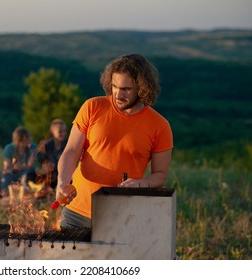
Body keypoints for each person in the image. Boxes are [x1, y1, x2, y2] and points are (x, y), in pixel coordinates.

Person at [56, 54, 173, 228]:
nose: (117, 94)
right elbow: (71, 151)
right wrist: (62, 182)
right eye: (114, 86)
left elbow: (160, 175)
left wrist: (141, 184)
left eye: (126, 89)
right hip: (76, 212)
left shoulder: (160, 126)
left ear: (142, 88)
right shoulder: (92, 107)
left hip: (120, 215)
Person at [35, 119, 68, 191]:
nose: (63, 133)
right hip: (50, 176)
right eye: (60, 131)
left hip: (65, 176)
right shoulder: (46, 145)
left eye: (65, 131)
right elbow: (39, 161)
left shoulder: (68, 144)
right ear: (52, 132)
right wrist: (44, 165)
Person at [1, 126, 37, 191]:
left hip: (27, 174)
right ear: (19, 140)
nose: (30, 140)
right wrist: (22, 166)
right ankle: (5, 194)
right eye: (27, 138)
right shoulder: (9, 148)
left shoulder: (32, 147)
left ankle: (26, 192)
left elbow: (30, 165)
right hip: (14, 174)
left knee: (30, 173)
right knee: (6, 176)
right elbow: (7, 167)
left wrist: (21, 167)